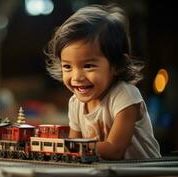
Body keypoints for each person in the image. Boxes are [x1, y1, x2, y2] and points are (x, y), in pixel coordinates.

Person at [45, 4, 161, 160]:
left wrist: (65, 146)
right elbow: (74, 153)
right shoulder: (75, 103)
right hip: (108, 175)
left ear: (117, 65)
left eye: (88, 66)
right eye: (67, 66)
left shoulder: (124, 95)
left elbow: (114, 150)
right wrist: (65, 147)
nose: (76, 76)